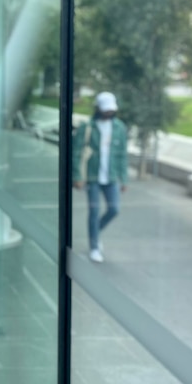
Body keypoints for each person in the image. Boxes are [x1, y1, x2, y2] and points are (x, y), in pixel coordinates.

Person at [72, 91, 128, 263]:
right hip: (92, 176)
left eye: (111, 109)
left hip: (111, 176)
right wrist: (77, 175)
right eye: (105, 109)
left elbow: (122, 154)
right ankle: (94, 246)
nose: (109, 112)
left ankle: (95, 233)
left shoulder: (119, 127)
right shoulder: (87, 127)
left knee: (114, 209)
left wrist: (124, 178)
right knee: (94, 211)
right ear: (98, 108)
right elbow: (76, 152)